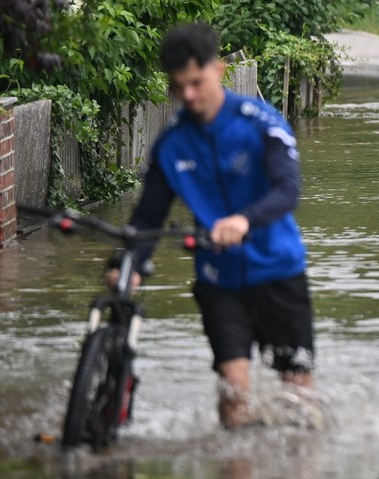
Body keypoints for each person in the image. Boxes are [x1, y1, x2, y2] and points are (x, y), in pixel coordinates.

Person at [120, 23, 315, 429]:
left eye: (196, 82)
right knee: (233, 388)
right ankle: (234, 466)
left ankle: (302, 465)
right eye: (179, 87)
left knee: (297, 391)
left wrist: (244, 219)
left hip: (278, 269)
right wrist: (129, 265)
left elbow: (288, 190)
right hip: (219, 278)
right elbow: (148, 217)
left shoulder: (262, 123)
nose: (189, 96)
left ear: (219, 70)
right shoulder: (171, 145)